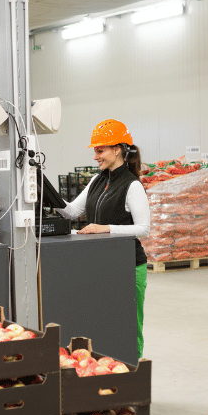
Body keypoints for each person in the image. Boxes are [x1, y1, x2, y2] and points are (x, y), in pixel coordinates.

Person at [57, 119, 151, 356]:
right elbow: (72, 211)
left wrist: (105, 228)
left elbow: (144, 228)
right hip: (100, 264)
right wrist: (46, 197)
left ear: (117, 149)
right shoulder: (97, 180)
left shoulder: (132, 185)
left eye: (100, 150)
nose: (96, 156)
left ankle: (133, 369)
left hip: (129, 265)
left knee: (129, 323)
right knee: (105, 321)